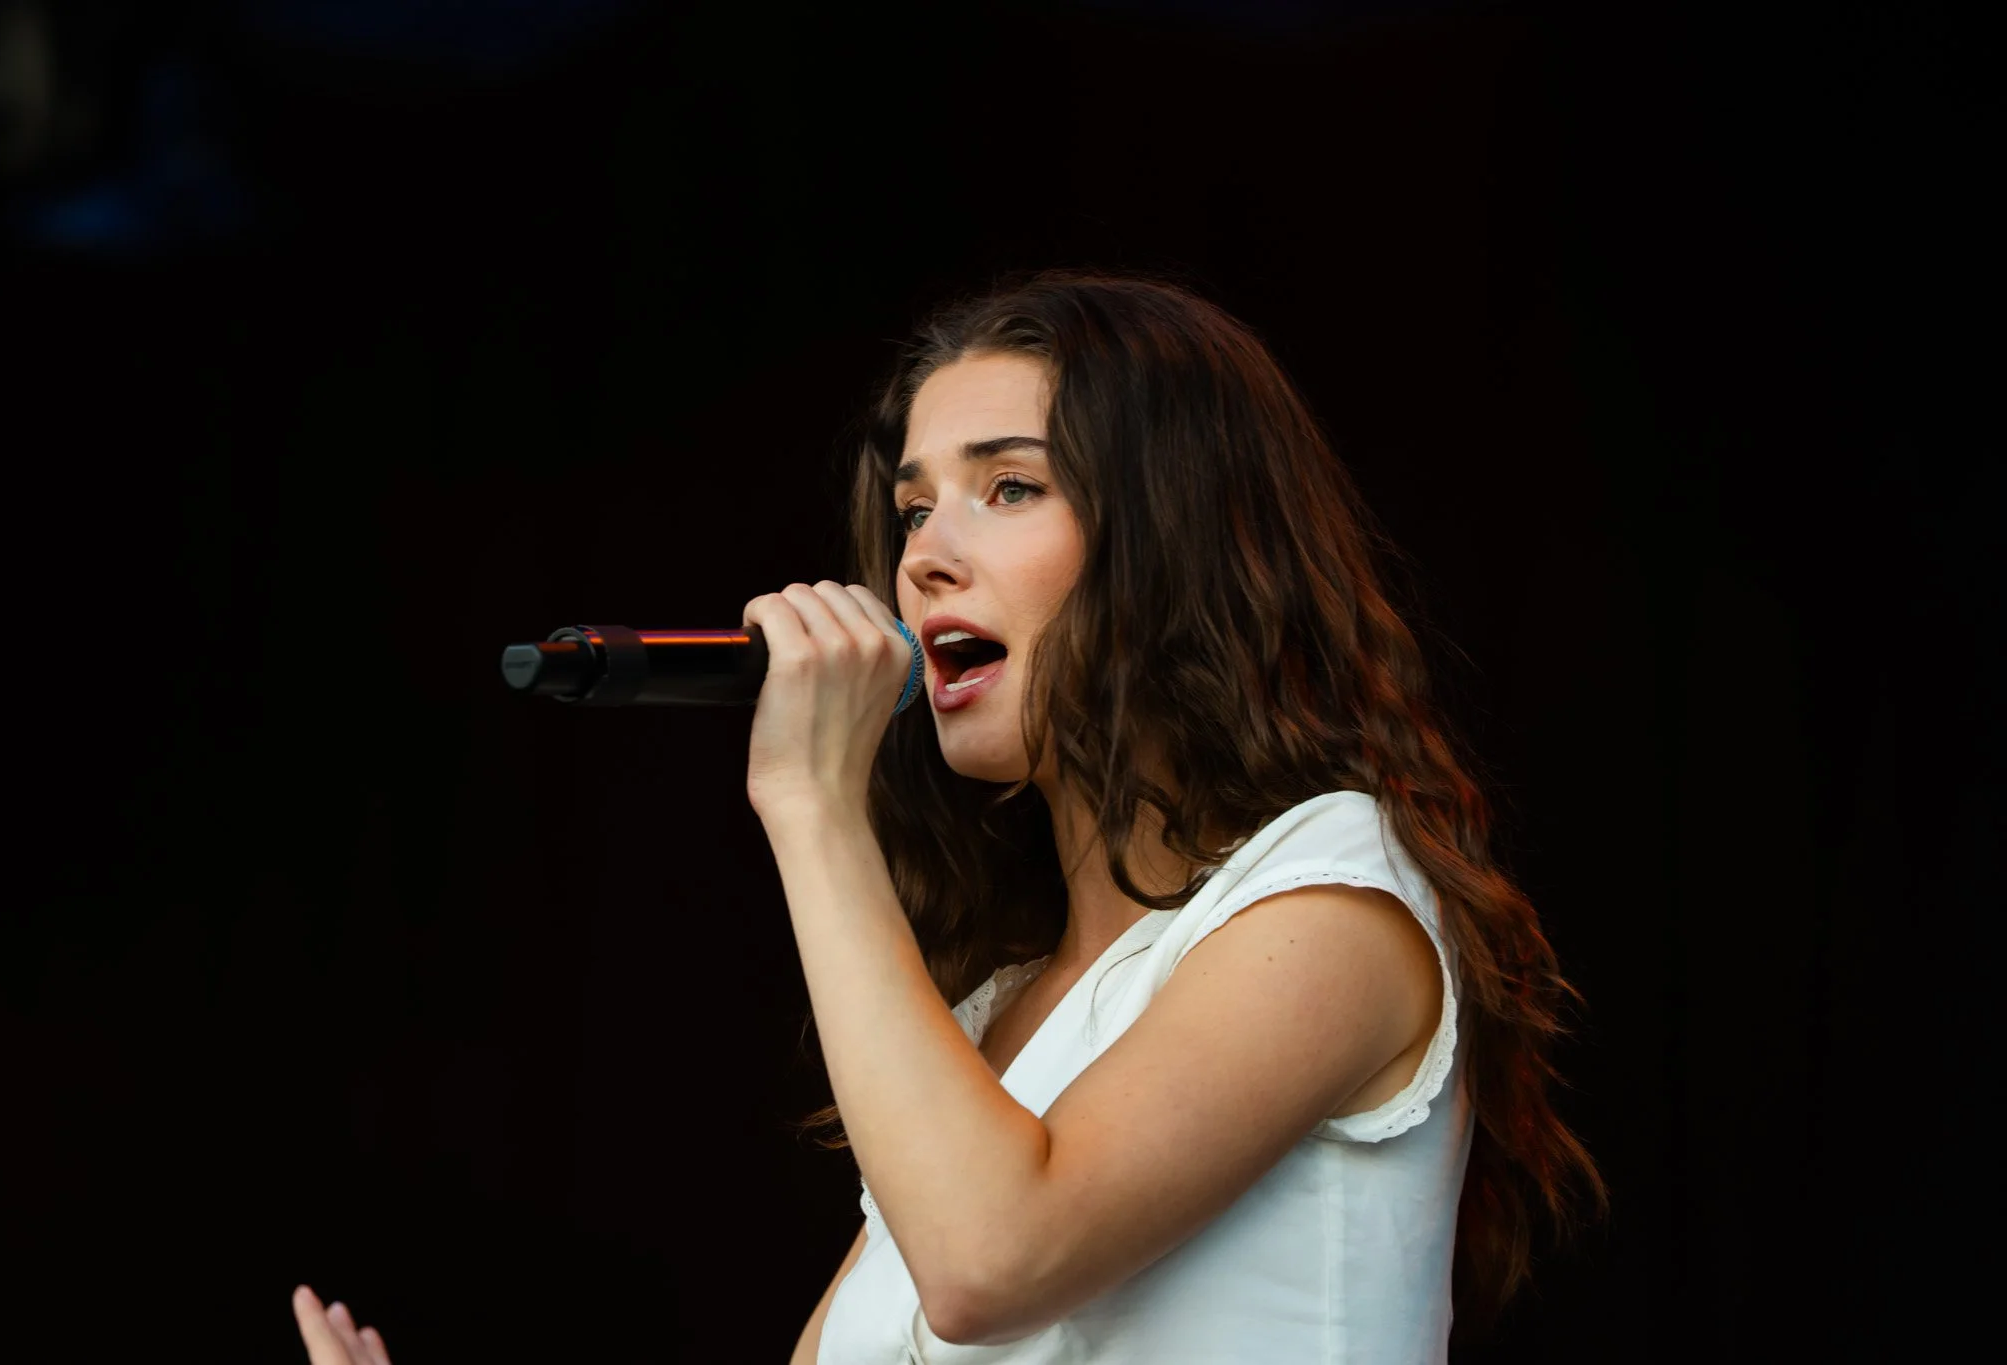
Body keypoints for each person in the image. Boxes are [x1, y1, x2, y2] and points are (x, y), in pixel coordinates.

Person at [293, 268, 1602, 1363]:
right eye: (913, 507)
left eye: (1010, 488)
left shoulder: (1334, 901)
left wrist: (814, 806)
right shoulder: (992, 1016)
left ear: (1182, 536)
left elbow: (991, 1263)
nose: (921, 555)